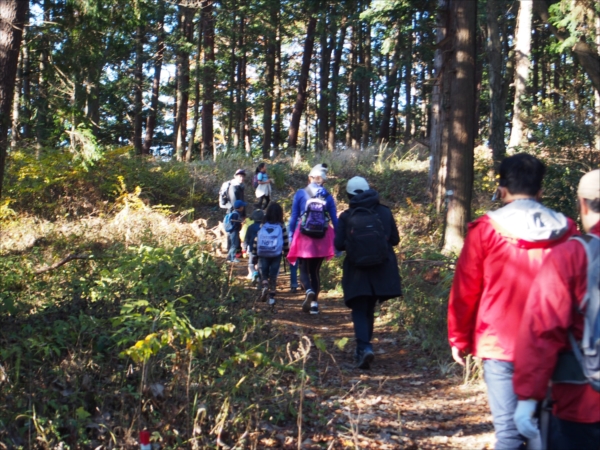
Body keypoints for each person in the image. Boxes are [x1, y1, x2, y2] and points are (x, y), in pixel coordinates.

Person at [447, 153, 578, 450]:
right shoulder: (567, 230)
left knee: (508, 433)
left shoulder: (485, 230)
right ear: (540, 191)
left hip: (500, 343)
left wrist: (459, 338)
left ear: (502, 189)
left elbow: (466, 289)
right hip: (553, 344)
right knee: (545, 430)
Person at [513, 169, 600, 450]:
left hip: (582, 399)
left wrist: (528, 398)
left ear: (582, 204)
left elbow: (542, 329)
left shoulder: (572, 255)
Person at [334, 176, 402, 369]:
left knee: (359, 308)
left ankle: (364, 347)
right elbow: (395, 240)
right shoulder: (385, 212)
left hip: (357, 270)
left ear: (349, 195)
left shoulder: (347, 216)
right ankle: (365, 348)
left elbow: (338, 244)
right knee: (369, 309)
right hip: (381, 268)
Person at [287, 163, 338, 315]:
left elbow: (294, 217)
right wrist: (339, 238)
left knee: (303, 269)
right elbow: (335, 220)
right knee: (315, 271)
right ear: (323, 180)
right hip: (322, 237)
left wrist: (290, 236)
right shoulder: (327, 196)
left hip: (303, 236)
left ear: (310, 178)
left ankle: (308, 290)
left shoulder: (301, 193)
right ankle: (315, 305)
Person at [252, 202, 289, 307]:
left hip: (263, 252)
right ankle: (272, 295)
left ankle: (264, 285)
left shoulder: (263, 224)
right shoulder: (281, 225)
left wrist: (254, 253)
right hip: (276, 253)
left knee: (264, 271)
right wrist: (286, 252)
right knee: (273, 273)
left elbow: (257, 239)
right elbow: (285, 239)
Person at [244, 209, 264, 282]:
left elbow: (247, 238)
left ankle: (254, 273)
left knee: (251, 263)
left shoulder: (250, 227)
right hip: (262, 248)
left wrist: (245, 247)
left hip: (252, 248)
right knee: (260, 264)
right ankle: (260, 277)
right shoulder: (264, 227)